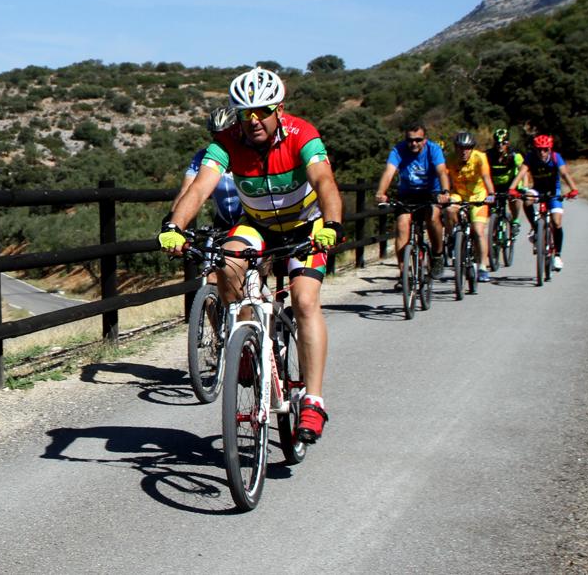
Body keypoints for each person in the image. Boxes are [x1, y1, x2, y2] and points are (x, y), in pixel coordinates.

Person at [158, 67, 343, 444]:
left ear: (279, 109)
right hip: (257, 224)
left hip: (306, 226)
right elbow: (199, 189)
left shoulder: (301, 134)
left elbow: (324, 180)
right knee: (226, 262)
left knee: (305, 301)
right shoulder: (225, 143)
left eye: (262, 111)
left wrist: (333, 224)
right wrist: (174, 226)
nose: (254, 120)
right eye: (245, 112)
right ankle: (245, 344)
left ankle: (313, 399)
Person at [374, 124, 452, 283]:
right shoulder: (399, 150)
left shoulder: (433, 149)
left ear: (425, 140)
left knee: (433, 218)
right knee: (402, 224)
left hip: (432, 192)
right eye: (410, 140)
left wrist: (445, 192)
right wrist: (381, 193)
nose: (414, 143)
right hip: (408, 193)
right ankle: (403, 273)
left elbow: (442, 172)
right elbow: (389, 172)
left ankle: (437, 254)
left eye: (418, 140)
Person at [168, 104, 244, 233]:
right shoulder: (203, 156)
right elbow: (187, 191)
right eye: (216, 134)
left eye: (226, 133)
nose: (220, 139)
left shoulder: (248, 154)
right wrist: (171, 222)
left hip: (251, 223)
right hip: (222, 223)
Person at [511, 134, 580, 271]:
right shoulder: (531, 157)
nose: (542, 152)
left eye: (545, 149)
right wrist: (512, 189)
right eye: (539, 150)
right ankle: (535, 228)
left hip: (554, 191)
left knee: (556, 222)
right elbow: (521, 172)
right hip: (537, 189)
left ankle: (558, 256)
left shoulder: (556, 157)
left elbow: (564, 174)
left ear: (550, 149)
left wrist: (573, 189)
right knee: (527, 200)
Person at [444, 132, 496, 283]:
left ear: (472, 148)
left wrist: (491, 194)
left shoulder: (480, 157)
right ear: (455, 148)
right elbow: (446, 178)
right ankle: (452, 237)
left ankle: (483, 267)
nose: (464, 151)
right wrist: (446, 193)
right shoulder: (450, 159)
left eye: (468, 148)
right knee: (448, 209)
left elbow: (486, 177)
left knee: (479, 232)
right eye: (460, 148)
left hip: (478, 195)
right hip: (459, 194)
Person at [486, 128, 525, 235]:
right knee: (491, 208)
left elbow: (524, 171)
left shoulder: (515, 155)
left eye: (503, 143)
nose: (500, 145)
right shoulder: (488, 155)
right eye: (498, 143)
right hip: (494, 186)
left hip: (510, 184)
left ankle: (515, 220)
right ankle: (493, 231)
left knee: (515, 199)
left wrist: (524, 187)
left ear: (508, 143)